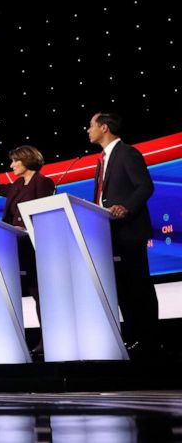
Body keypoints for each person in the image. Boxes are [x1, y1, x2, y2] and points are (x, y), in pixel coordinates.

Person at [87, 111, 159, 356]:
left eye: (91, 125)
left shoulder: (127, 153)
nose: (88, 130)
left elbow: (145, 186)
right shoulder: (102, 160)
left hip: (129, 231)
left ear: (104, 127)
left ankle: (149, 341)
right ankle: (133, 339)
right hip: (108, 233)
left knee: (138, 286)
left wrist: (126, 207)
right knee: (122, 289)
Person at [0, 142, 55, 353]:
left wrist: (27, 225)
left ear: (27, 160)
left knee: (41, 294)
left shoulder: (43, 183)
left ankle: (48, 339)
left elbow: (45, 212)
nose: (11, 165)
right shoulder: (17, 185)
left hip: (35, 247)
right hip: (16, 246)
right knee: (30, 292)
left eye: (15, 161)